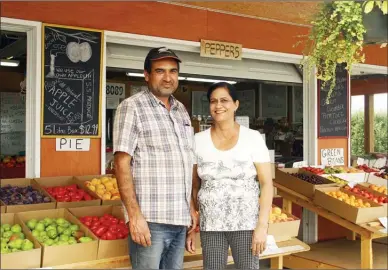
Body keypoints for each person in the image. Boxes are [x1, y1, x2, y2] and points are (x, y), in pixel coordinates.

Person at [113, 47, 197, 269]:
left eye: (173, 71)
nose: (168, 77)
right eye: (160, 71)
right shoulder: (131, 108)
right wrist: (134, 216)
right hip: (150, 221)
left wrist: (190, 207)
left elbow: (183, 162)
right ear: (147, 75)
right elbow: (122, 163)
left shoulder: (181, 111)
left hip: (179, 220)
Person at [186, 82, 273, 269]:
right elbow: (193, 185)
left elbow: (266, 184)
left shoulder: (253, 138)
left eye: (224, 100)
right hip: (211, 223)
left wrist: (262, 226)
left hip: (246, 222)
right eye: (213, 101)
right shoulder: (197, 141)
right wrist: (193, 222)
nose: (218, 106)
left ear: (236, 104)